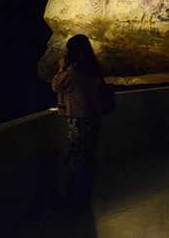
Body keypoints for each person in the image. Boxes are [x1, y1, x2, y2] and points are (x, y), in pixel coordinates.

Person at [51, 34, 105, 210]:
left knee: (74, 161)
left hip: (79, 122)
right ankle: (85, 197)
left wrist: (61, 68)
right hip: (94, 120)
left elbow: (56, 85)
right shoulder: (94, 69)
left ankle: (71, 201)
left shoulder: (73, 72)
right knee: (88, 160)